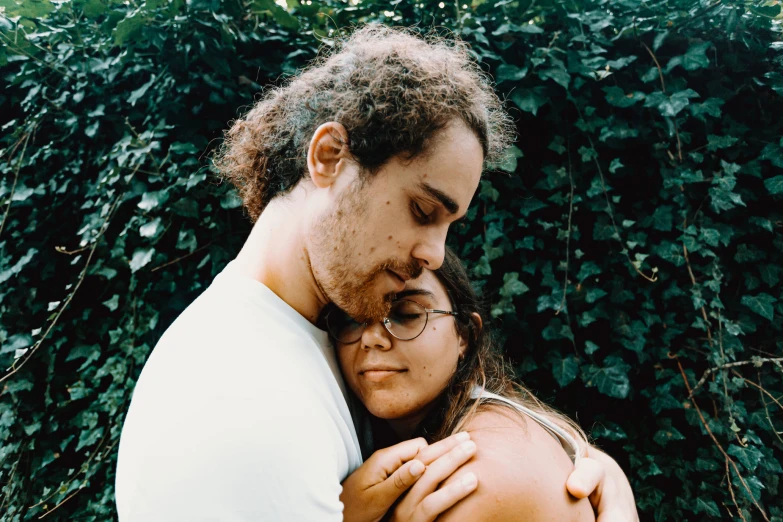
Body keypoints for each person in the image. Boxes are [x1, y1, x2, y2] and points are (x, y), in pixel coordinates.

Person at [115, 25, 638, 521]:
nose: (435, 254)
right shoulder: (240, 400)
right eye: (422, 210)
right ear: (329, 156)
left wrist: (587, 462)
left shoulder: (320, 329)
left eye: (449, 223)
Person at [331, 248, 621, 520]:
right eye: (351, 317)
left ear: (465, 336)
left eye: (407, 314)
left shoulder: (471, 481)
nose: (371, 338)